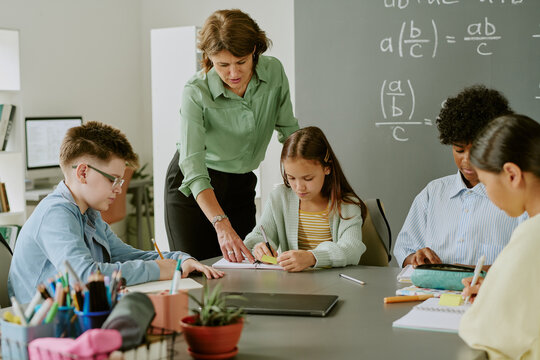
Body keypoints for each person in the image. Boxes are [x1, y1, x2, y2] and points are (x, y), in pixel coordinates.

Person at [8, 122, 223, 303]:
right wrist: (158, 269)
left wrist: (178, 259)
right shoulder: (55, 214)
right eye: (113, 179)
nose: (119, 188)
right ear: (83, 172)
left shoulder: (88, 213)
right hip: (44, 326)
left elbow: (127, 255)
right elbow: (85, 277)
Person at [164, 9, 299, 263]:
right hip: (194, 189)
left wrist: (302, 179)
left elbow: (289, 131)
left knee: (244, 272)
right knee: (198, 273)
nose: (233, 73)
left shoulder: (274, 73)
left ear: (255, 51)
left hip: (241, 183)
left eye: (242, 62)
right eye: (222, 65)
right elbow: (192, 165)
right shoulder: (195, 91)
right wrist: (220, 223)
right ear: (208, 58)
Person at [393, 85, 525, 268]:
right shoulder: (433, 193)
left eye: (477, 151)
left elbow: (526, 265)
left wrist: (460, 272)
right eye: (459, 150)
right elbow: (404, 252)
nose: (467, 161)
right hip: (433, 294)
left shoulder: (518, 199)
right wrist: (416, 259)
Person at [458, 114, 540, 359]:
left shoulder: (532, 235)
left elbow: (482, 330)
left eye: (485, 182)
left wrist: (490, 302)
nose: (488, 196)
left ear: (512, 174)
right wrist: (497, 291)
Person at [243, 127, 366, 272]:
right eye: (291, 178)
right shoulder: (279, 197)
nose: (299, 187)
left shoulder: (347, 205)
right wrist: (259, 247)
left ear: (327, 168)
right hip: (293, 286)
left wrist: (312, 257)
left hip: (335, 285)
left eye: (308, 178)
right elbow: (257, 236)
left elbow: (352, 248)